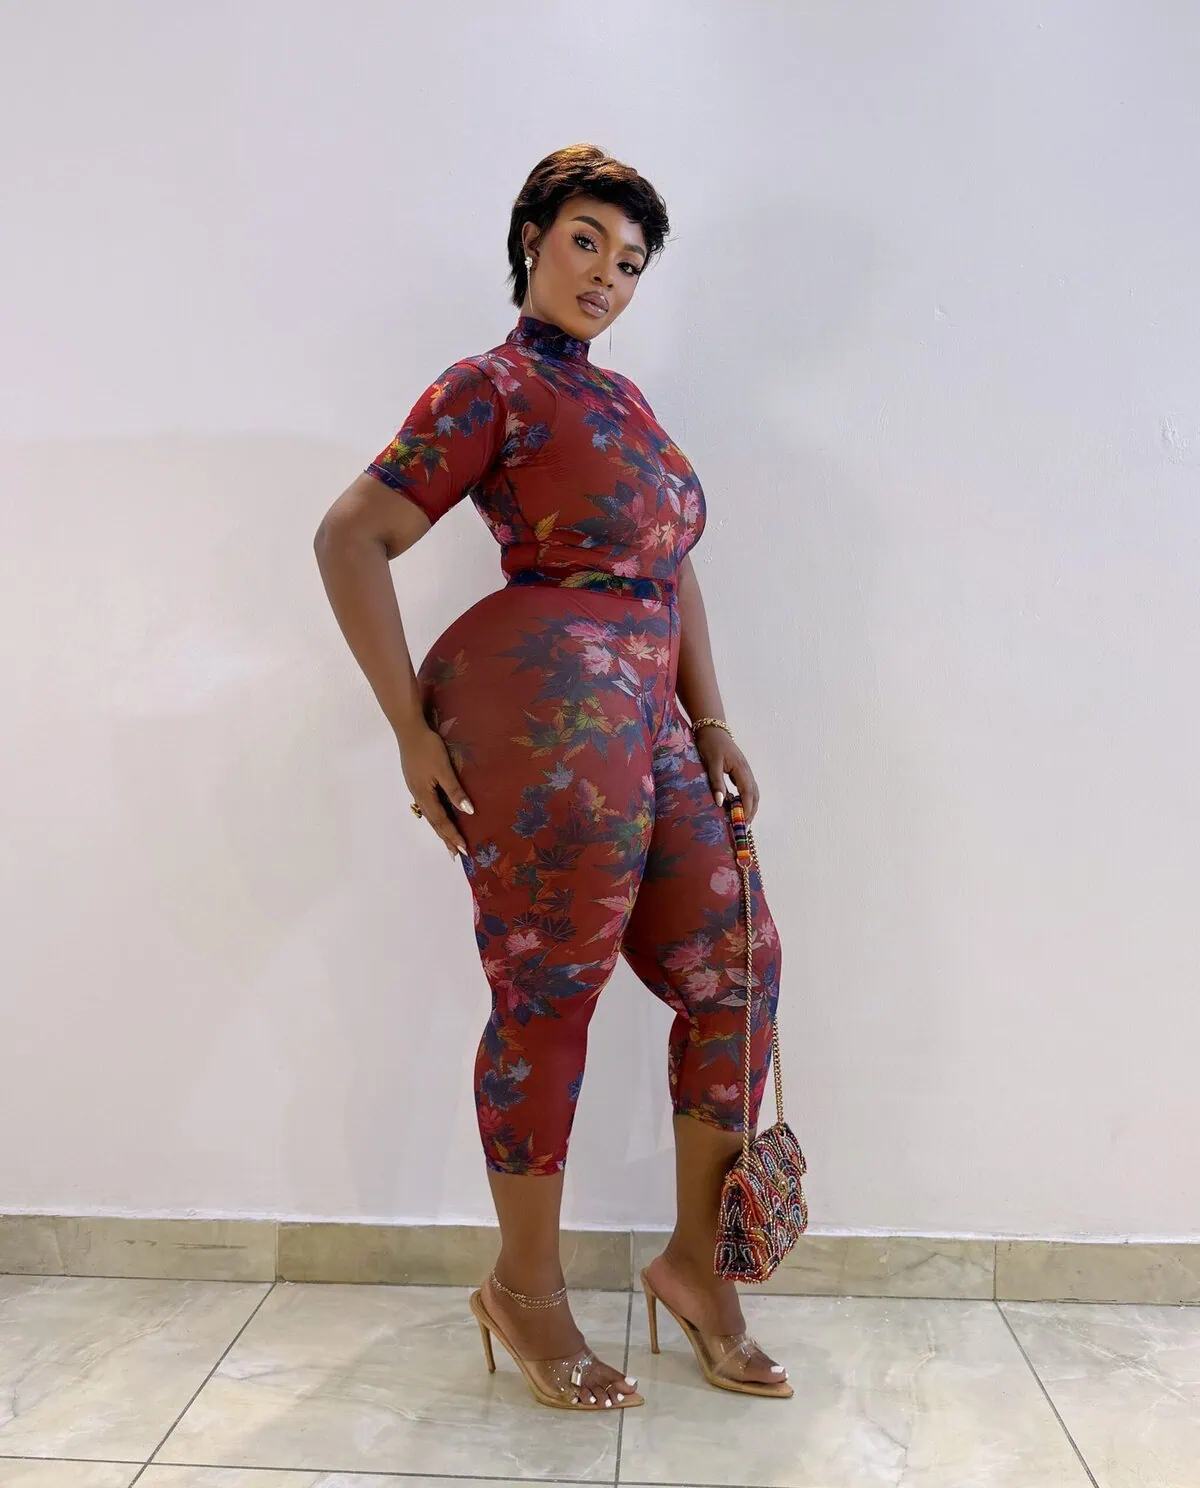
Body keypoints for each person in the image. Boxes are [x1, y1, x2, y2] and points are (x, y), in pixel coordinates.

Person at [314, 143, 790, 1410]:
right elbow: (351, 535)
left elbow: (669, 563)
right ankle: (524, 1290)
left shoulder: (627, 403)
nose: (606, 276)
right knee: (550, 994)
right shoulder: (489, 386)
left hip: (653, 721)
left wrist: (711, 719)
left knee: (738, 968)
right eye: (587, 242)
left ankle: (698, 1269)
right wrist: (409, 732)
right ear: (533, 238)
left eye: (630, 262)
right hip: (546, 717)